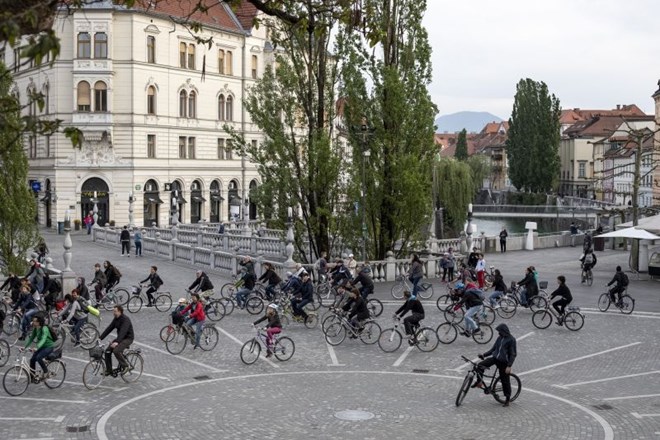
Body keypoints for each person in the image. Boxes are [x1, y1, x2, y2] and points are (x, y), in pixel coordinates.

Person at [472, 323, 517, 407]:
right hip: (495, 358)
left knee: (505, 381)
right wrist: (484, 355)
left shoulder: (511, 340)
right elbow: (493, 349)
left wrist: (509, 366)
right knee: (480, 365)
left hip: (504, 363)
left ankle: (507, 399)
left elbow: (513, 354)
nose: (498, 333)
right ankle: (479, 381)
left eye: (499, 331)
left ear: (504, 331)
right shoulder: (499, 338)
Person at [99, 305, 134, 375]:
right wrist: (100, 338)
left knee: (116, 350)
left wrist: (117, 342)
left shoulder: (125, 319)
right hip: (120, 338)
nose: (113, 313)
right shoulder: (116, 319)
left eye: (115, 311)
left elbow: (123, 332)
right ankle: (109, 370)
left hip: (128, 338)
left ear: (120, 311)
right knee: (107, 351)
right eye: (113, 311)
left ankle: (126, 366)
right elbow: (109, 328)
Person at [23, 313, 55, 383]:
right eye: (33, 321)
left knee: (39, 357)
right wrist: (25, 347)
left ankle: (46, 372)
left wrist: (37, 347)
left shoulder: (44, 328)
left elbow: (43, 339)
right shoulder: (36, 328)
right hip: (41, 346)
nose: (33, 322)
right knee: (32, 360)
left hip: (48, 346)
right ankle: (32, 377)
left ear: (39, 322)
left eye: (35, 321)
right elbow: (31, 338)